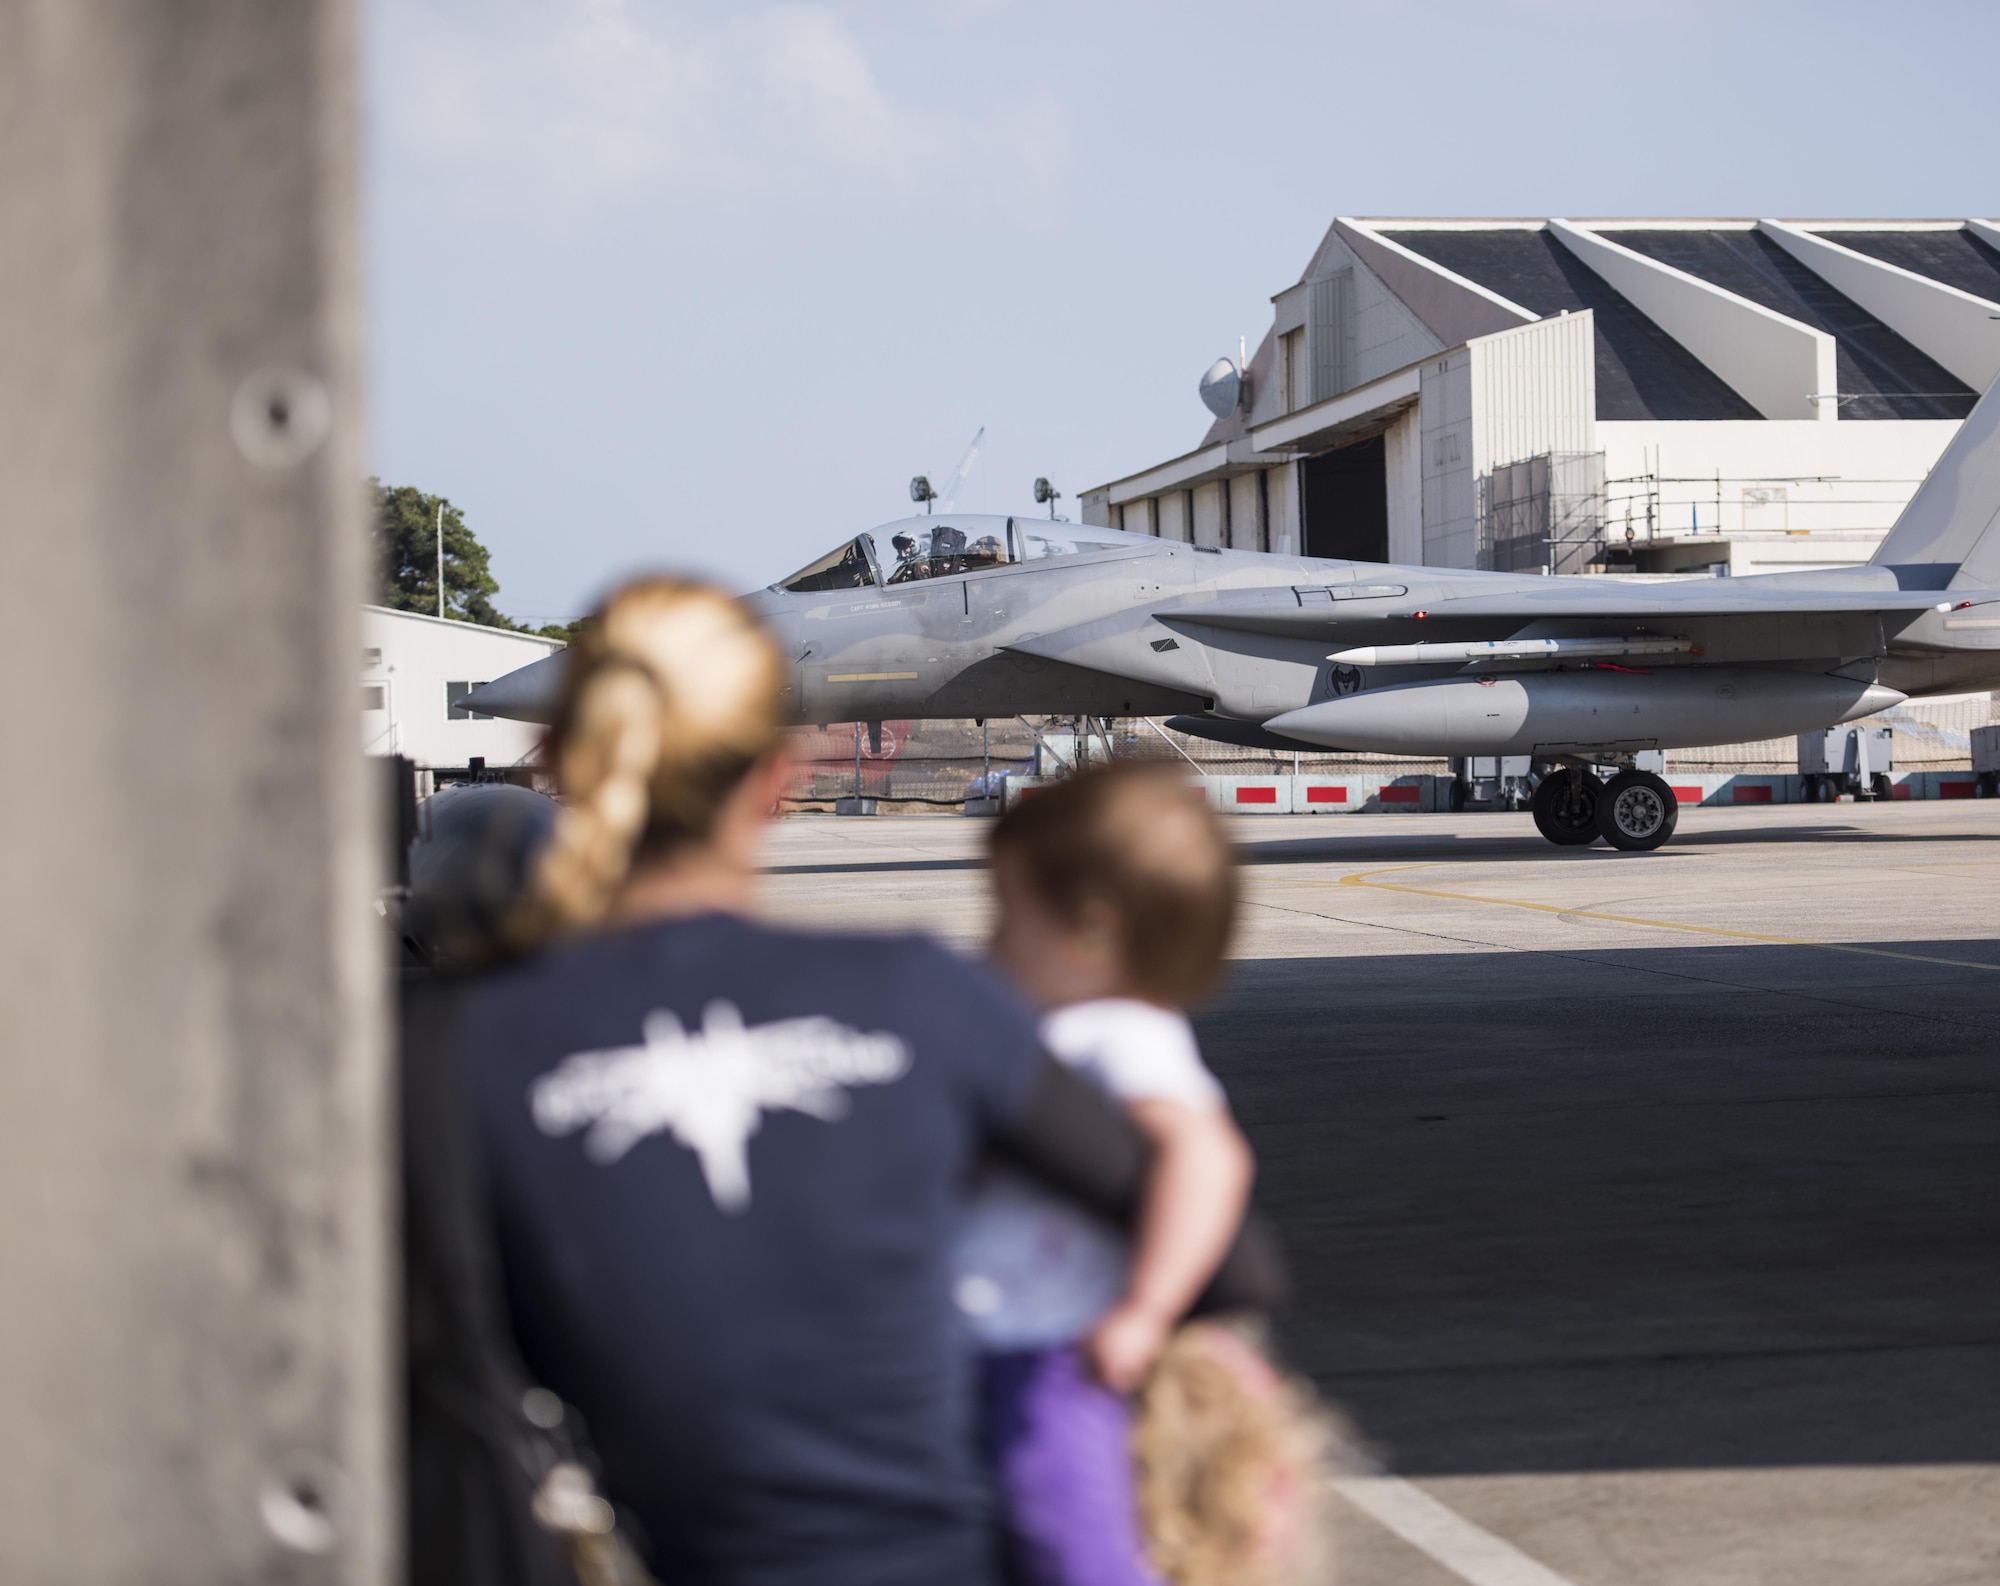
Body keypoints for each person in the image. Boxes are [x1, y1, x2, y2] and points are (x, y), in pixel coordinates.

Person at [434, 576, 1273, 1586]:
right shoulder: (925, 999)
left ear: (557, 757)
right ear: (781, 773)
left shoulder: (452, 1052)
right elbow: (1229, 1257)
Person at [952, 764, 1256, 1586]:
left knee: (1068, 1531)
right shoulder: (1062, 1028)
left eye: (1006, 917)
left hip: (1057, 1354)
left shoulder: (1114, 1034)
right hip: (986, 1340)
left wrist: (1144, 1310)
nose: (987, 945)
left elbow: (1206, 1157)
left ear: (1091, 935)